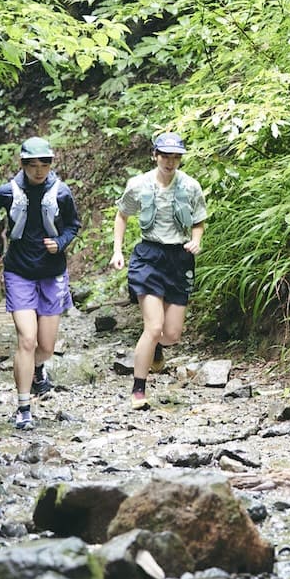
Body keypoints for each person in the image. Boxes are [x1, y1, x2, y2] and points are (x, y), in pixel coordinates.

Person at [0, 136, 81, 430]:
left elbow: (74, 224)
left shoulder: (61, 193)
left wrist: (60, 242)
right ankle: (24, 408)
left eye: (45, 164)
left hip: (52, 272)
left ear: (51, 163)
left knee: (46, 347)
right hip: (19, 271)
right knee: (27, 339)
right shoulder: (8, 192)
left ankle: (39, 368)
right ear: (22, 164)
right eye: (32, 165)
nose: (39, 170)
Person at [109, 132, 208, 410]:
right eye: (165, 155)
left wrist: (196, 240)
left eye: (175, 156)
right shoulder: (138, 184)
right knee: (153, 327)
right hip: (148, 257)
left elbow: (199, 221)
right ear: (155, 155)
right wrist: (118, 251)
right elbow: (122, 215)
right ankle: (138, 390)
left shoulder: (190, 187)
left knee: (171, 335)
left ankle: (157, 348)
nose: (170, 161)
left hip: (179, 258)